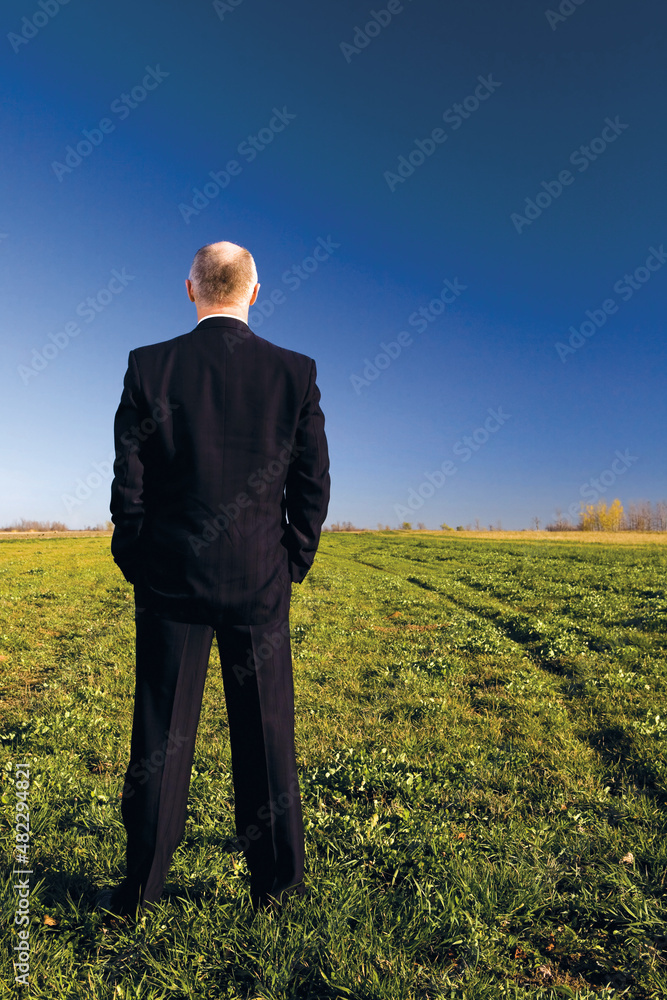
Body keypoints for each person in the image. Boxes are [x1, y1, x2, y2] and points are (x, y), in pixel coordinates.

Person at [98, 241, 330, 916]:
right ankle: (277, 891)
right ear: (255, 293)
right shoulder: (294, 372)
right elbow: (311, 484)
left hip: (170, 580)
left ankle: (139, 889)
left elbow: (128, 485)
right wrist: (292, 561)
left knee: (160, 737)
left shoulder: (150, 366)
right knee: (266, 734)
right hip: (259, 580)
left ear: (191, 289)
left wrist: (137, 559)